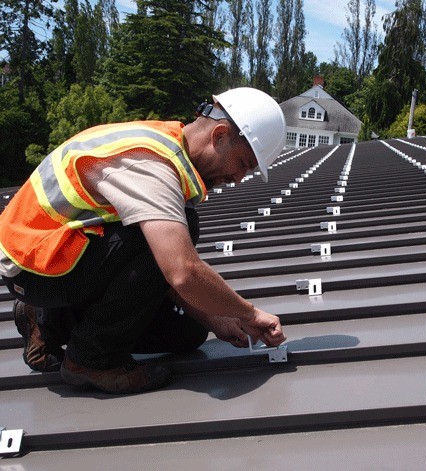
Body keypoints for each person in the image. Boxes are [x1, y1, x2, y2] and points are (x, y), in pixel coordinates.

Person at [0, 87, 287, 394]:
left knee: (187, 334)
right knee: (182, 231)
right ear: (219, 136)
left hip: (61, 260)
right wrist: (249, 313)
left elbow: (157, 273)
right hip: (36, 266)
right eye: (243, 163)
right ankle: (91, 359)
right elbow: (181, 271)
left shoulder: (172, 151)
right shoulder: (152, 164)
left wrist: (217, 319)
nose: (239, 178)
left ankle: (47, 321)